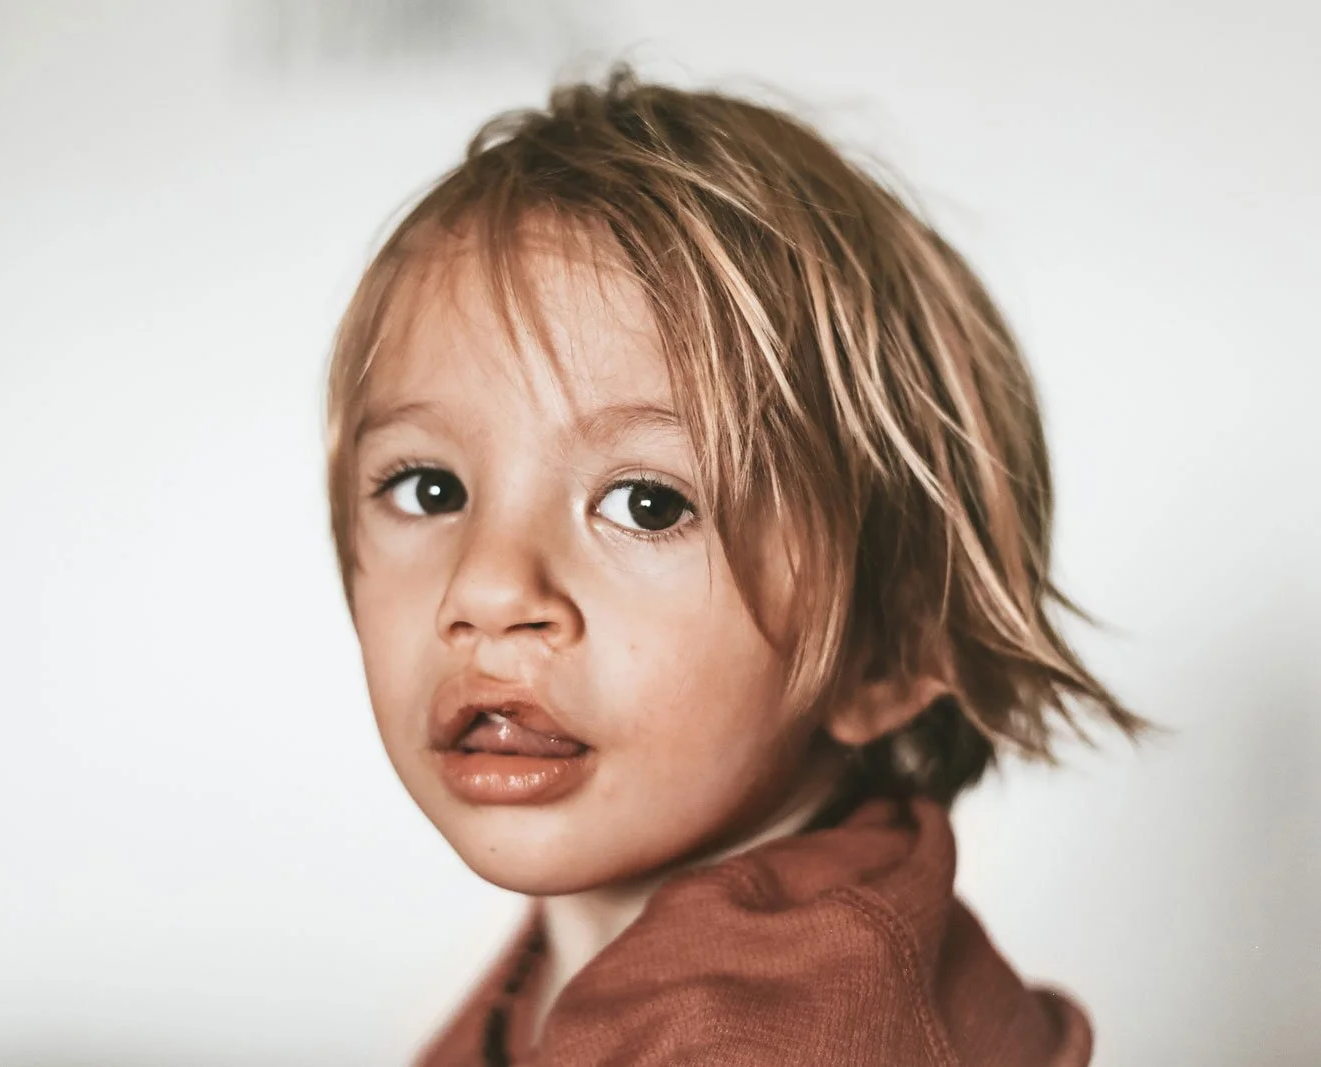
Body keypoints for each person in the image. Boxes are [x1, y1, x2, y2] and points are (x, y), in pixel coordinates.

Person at [322, 64, 1146, 1066]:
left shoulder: (780, 1029)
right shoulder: (617, 946)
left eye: (648, 503)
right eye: (430, 489)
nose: (487, 589)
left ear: (885, 645)